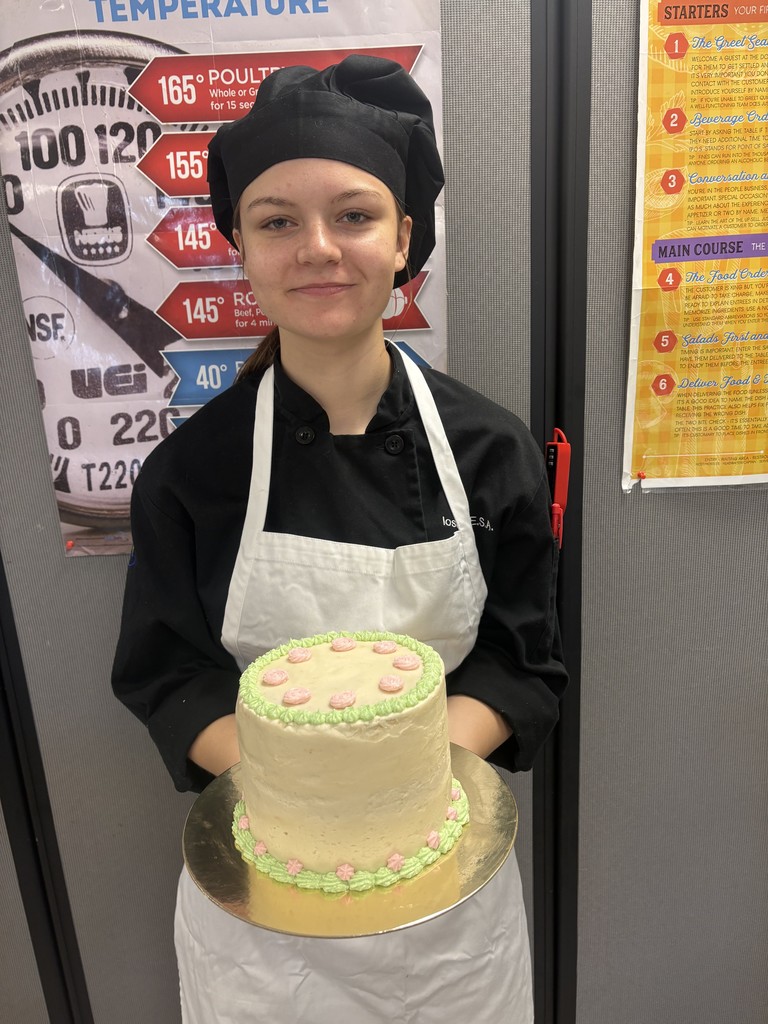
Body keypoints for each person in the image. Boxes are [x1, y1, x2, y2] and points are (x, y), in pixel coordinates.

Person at [112, 55, 567, 1024]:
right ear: (239, 246)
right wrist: (314, 809)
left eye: (354, 215)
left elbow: (524, 660)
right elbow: (165, 673)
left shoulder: (493, 451)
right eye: (278, 221)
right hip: (262, 926)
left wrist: (390, 791)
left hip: (449, 899)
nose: (319, 247)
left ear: (406, 238)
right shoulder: (191, 473)